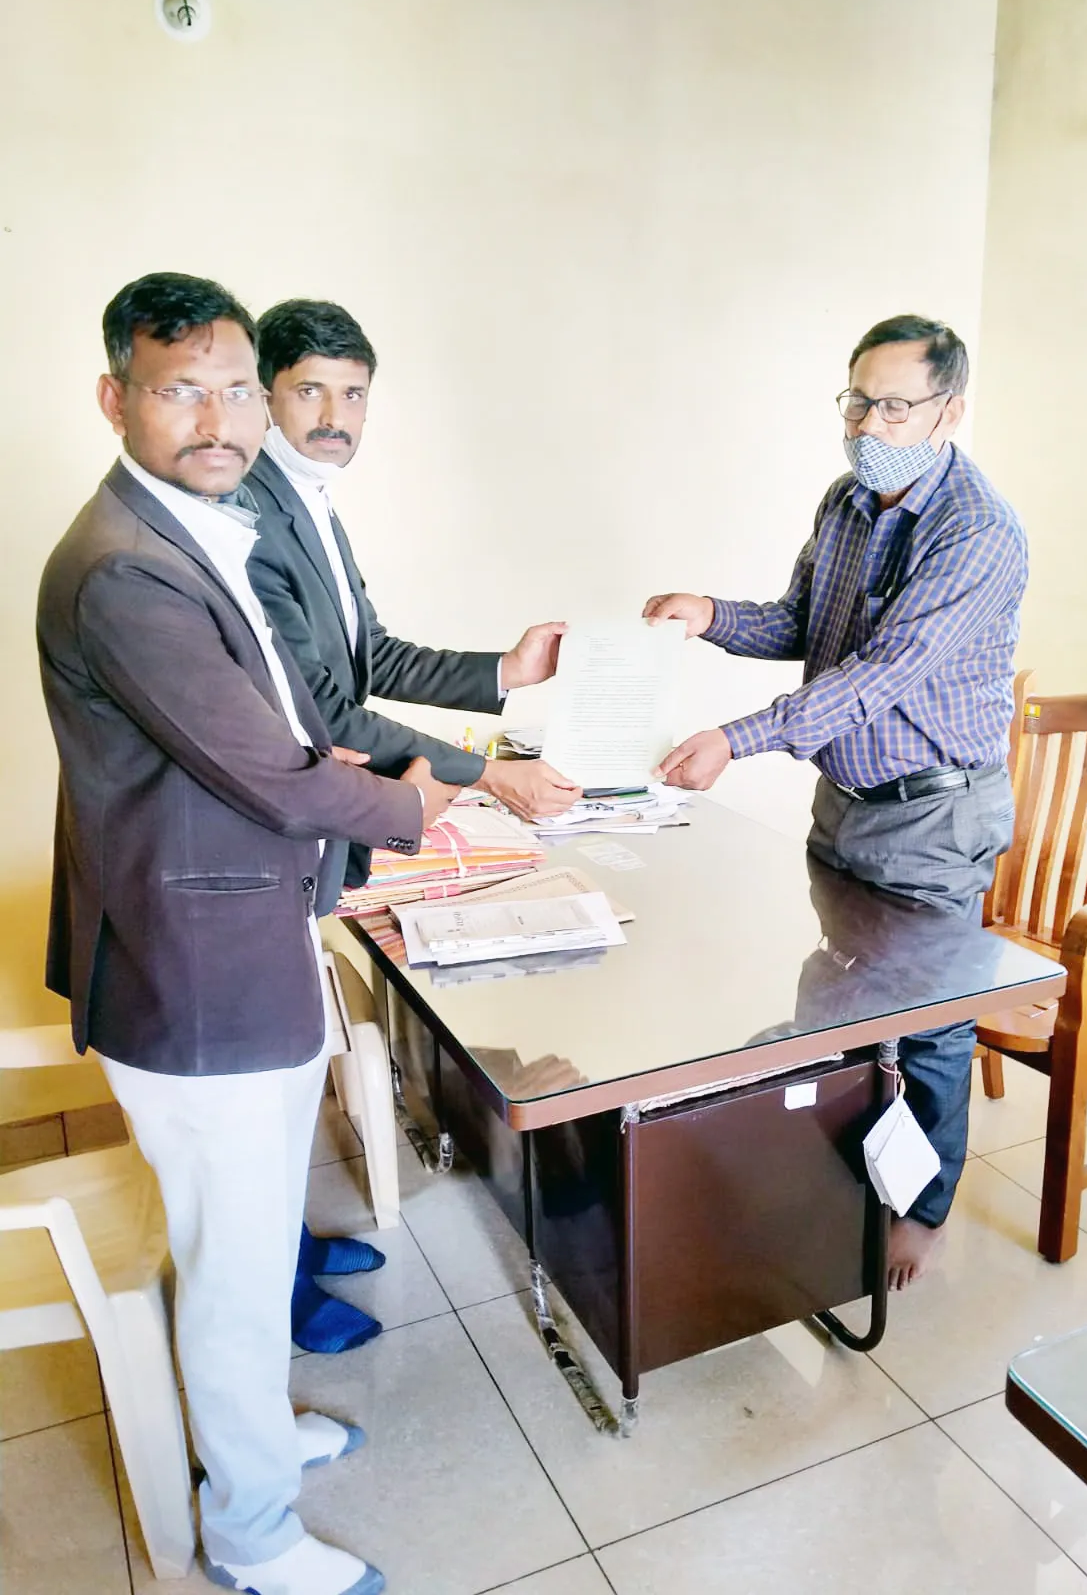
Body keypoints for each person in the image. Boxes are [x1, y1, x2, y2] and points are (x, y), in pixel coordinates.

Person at [37, 271, 449, 1595]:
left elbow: (264, 728)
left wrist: (339, 771)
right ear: (117, 399)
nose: (217, 420)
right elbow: (267, 774)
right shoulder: (124, 569)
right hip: (194, 972)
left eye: (233, 390)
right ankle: (253, 1537)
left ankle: (259, 1438)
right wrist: (410, 805)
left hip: (238, 939)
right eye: (180, 391)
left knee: (260, 1238)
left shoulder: (194, 526)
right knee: (232, 1264)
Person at [643, 314, 1028, 1291]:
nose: (868, 424)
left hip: (934, 816)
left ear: (949, 411)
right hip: (847, 800)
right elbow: (803, 624)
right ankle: (845, 1173)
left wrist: (737, 738)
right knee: (833, 997)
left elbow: (882, 673)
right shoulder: (847, 499)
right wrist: (711, 615)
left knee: (929, 1026)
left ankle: (920, 1211)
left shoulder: (977, 533)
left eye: (895, 406)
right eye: (857, 400)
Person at [242, 298, 581, 1351]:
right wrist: (488, 775)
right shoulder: (250, 512)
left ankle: (290, 1249)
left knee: (291, 1065)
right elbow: (324, 712)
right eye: (310, 389)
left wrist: (505, 671)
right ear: (264, 395)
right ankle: (275, 1287)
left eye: (353, 394)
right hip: (273, 837)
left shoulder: (310, 501)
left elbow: (370, 654)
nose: (335, 414)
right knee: (268, 1081)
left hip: (311, 835)